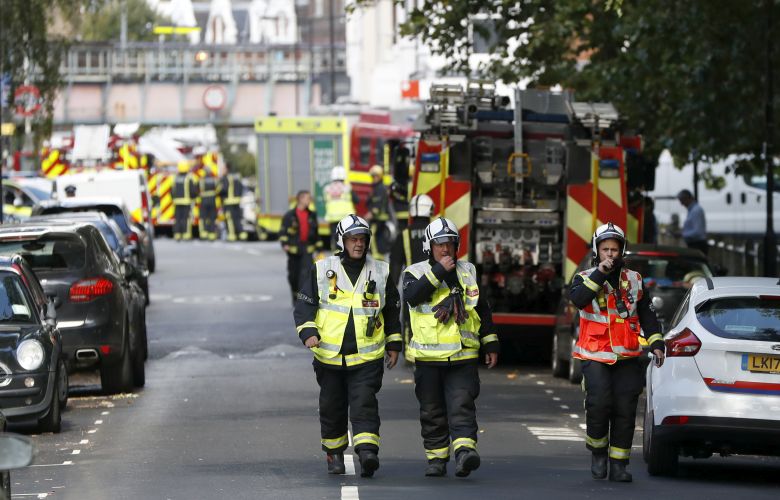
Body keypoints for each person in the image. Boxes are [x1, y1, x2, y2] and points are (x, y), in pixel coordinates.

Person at [293, 214, 402, 477]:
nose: (359, 244)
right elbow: (304, 306)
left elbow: (391, 312)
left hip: (367, 357)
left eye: (363, 239)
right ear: (342, 241)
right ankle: (335, 454)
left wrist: (394, 342)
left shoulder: (381, 271)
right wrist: (308, 332)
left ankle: (367, 453)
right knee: (332, 406)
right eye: (353, 239)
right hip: (328, 357)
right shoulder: (321, 269)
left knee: (365, 402)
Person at [403, 217, 499, 478]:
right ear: (429, 246)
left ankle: (465, 454)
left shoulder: (468, 271)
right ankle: (436, 459)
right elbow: (413, 297)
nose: (445, 249)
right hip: (428, 357)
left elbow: (482, 309)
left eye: (450, 244)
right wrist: (438, 273)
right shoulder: (415, 272)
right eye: (439, 244)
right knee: (432, 410)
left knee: (462, 404)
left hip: (462, 355)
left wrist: (490, 342)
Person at [569, 222, 665, 483]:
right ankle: (598, 453)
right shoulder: (584, 277)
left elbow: (647, 314)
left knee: (625, 409)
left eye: (615, 249)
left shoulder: (634, 279)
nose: (610, 254)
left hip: (628, 356)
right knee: (599, 405)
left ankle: (619, 464)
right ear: (597, 251)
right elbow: (578, 300)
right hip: (595, 355)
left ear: (622, 251)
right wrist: (600, 274)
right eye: (605, 249)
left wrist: (656, 343)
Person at [280, 191, 322, 303]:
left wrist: (318, 248)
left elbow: (316, 233)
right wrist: (285, 245)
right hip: (293, 250)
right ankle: (295, 294)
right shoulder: (290, 215)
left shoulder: (312, 215)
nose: (310, 200)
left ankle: (302, 299)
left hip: (307, 249)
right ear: (300, 199)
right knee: (293, 276)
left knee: (306, 275)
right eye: (308, 198)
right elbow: (283, 232)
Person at [390, 193, 434, 287]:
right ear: (430, 209)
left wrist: (392, 295)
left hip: (412, 287)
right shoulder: (436, 232)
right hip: (435, 284)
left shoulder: (403, 235)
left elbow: (395, 267)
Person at [323, 166, 357, 251]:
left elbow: (325, 201)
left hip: (332, 218)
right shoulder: (347, 188)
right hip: (346, 219)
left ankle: (336, 257)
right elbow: (357, 200)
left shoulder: (327, 189)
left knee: (335, 239)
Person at [364, 165, 391, 259]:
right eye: (372, 176)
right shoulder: (378, 187)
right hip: (379, 217)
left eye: (374, 176)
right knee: (380, 236)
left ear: (379, 176)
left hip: (378, 217)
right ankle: (380, 255)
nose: (373, 178)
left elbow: (378, 202)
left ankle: (376, 255)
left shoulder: (380, 188)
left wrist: (372, 213)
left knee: (372, 235)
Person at [219, 164, 248, 241]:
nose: (222, 171)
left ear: (227, 169)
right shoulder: (237, 177)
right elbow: (242, 187)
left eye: (223, 169)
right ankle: (242, 235)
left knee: (229, 219)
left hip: (228, 202)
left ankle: (231, 236)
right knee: (237, 219)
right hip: (237, 202)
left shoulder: (225, 178)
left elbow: (223, 190)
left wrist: (218, 193)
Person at [172, 160, 198, 241]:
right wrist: (194, 198)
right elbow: (193, 191)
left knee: (178, 219)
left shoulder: (175, 178)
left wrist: (174, 199)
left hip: (177, 202)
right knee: (185, 219)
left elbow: (172, 191)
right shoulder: (189, 178)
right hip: (186, 202)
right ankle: (186, 235)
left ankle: (177, 235)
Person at [676, 189, 707, 254]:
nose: (682, 204)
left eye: (682, 201)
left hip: (697, 244)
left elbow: (698, 231)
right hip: (696, 244)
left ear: (687, 198)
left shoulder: (696, 210)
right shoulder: (693, 210)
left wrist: (682, 234)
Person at [198, 168, 219, 241]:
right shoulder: (214, 180)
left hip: (204, 201)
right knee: (212, 218)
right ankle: (212, 235)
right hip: (212, 201)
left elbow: (197, 189)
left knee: (203, 218)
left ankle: (203, 234)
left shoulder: (201, 180)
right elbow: (218, 189)